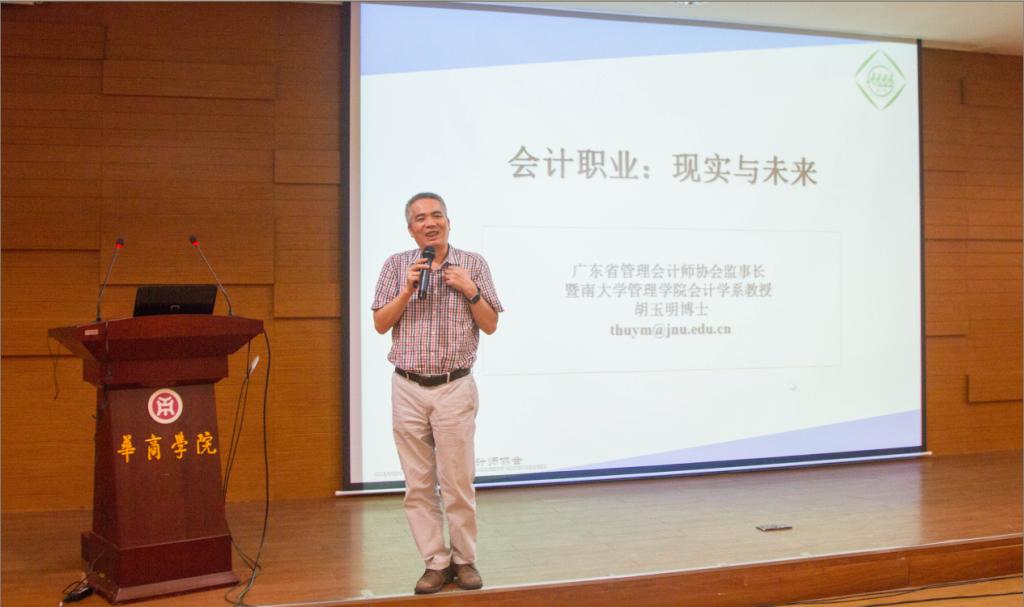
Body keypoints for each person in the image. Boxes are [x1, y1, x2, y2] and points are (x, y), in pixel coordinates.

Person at [371, 192, 503, 594]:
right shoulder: (396, 266)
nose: (430, 223)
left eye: (436, 215)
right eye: (420, 218)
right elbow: (380, 323)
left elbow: (491, 324)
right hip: (407, 387)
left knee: (458, 482)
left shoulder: (473, 265)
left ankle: (465, 560)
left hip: (454, 386)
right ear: (410, 229)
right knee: (418, 485)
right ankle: (435, 561)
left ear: (448, 222)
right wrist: (406, 291)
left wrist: (471, 290)